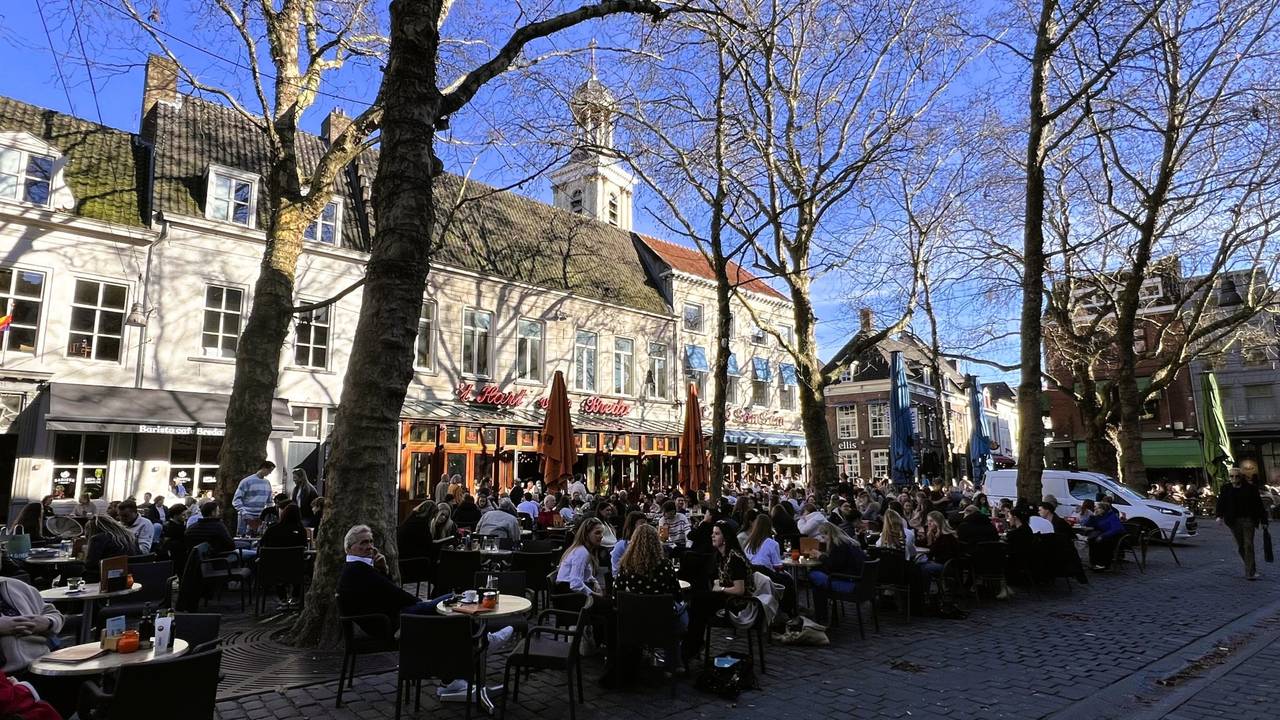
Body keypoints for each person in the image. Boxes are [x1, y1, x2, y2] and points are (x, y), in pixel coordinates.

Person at [337, 523, 512, 688]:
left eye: (371, 541)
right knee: (453, 601)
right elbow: (393, 593)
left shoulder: (356, 568)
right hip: (393, 622)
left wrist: (383, 570)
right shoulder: (359, 570)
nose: (369, 546)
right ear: (350, 548)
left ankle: (458, 671)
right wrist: (420, 602)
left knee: (452, 609)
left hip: (389, 618)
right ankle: (476, 651)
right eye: (363, 543)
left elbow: (386, 592)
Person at [613, 523, 685, 671]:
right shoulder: (665, 565)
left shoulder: (626, 566)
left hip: (633, 623)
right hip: (662, 622)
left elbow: (616, 595)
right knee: (681, 613)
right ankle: (674, 661)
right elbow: (677, 594)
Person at [683, 521, 754, 666]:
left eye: (716, 534)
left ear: (725, 537)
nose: (712, 536)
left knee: (698, 604)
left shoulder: (734, 558)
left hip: (737, 603)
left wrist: (720, 589)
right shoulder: (721, 555)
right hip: (726, 597)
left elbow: (740, 590)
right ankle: (691, 645)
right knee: (696, 602)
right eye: (713, 533)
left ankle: (690, 648)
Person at [0, 576, 64, 674]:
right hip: (7, 678)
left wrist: (48, 622)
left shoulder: (15, 585)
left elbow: (53, 613)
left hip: (44, 663)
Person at [809, 522, 866, 624]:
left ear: (828, 534)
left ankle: (821, 618)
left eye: (823, 537)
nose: (823, 540)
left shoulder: (839, 545)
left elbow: (834, 566)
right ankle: (826, 617)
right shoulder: (848, 542)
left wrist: (820, 556)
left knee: (813, 577)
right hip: (860, 581)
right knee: (818, 583)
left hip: (850, 582)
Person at [1216, 473, 1268, 580]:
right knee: (1241, 546)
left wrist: (1264, 521)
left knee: (1248, 544)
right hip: (1233, 521)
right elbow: (1221, 502)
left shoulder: (1251, 488)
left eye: (1236, 476)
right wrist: (1219, 516)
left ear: (1241, 477)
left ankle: (1250, 572)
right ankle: (1249, 565)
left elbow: (1258, 505)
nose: (1234, 478)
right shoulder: (1226, 488)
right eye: (1231, 476)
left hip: (1248, 520)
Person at [261, 504, 308, 608]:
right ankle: (295, 597)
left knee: (278, 567)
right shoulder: (301, 531)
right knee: (299, 564)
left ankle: (283, 598)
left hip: (273, 570)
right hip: (295, 570)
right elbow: (304, 547)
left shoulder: (272, 530)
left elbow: (262, 545)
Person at [83, 515, 141, 580]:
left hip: (107, 577)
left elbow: (90, 565)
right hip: (132, 576)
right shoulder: (130, 537)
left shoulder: (97, 539)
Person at [233, 460, 276, 535]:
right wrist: (243, 512)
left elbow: (269, 501)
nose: (270, 473)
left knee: (257, 538)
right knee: (242, 538)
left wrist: (267, 513)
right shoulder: (246, 481)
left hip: (260, 516)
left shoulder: (267, 483)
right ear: (263, 468)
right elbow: (236, 499)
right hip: (246, 515)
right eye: (269, 470)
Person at [1083, 500, 1125, 571]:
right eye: (1096, 508)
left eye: (1098, 508)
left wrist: (1103, 536)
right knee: (1092, 540)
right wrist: (1092, 516)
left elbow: (1116, 529)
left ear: (1104, 509)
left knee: (1103, 542)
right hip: (1104, 534)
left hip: (1116, 536)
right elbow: (1087, 524)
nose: (1096, 509)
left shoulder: (1111, 516)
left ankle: (1103, 564)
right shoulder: (1099, 516)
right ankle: (1094, 562)